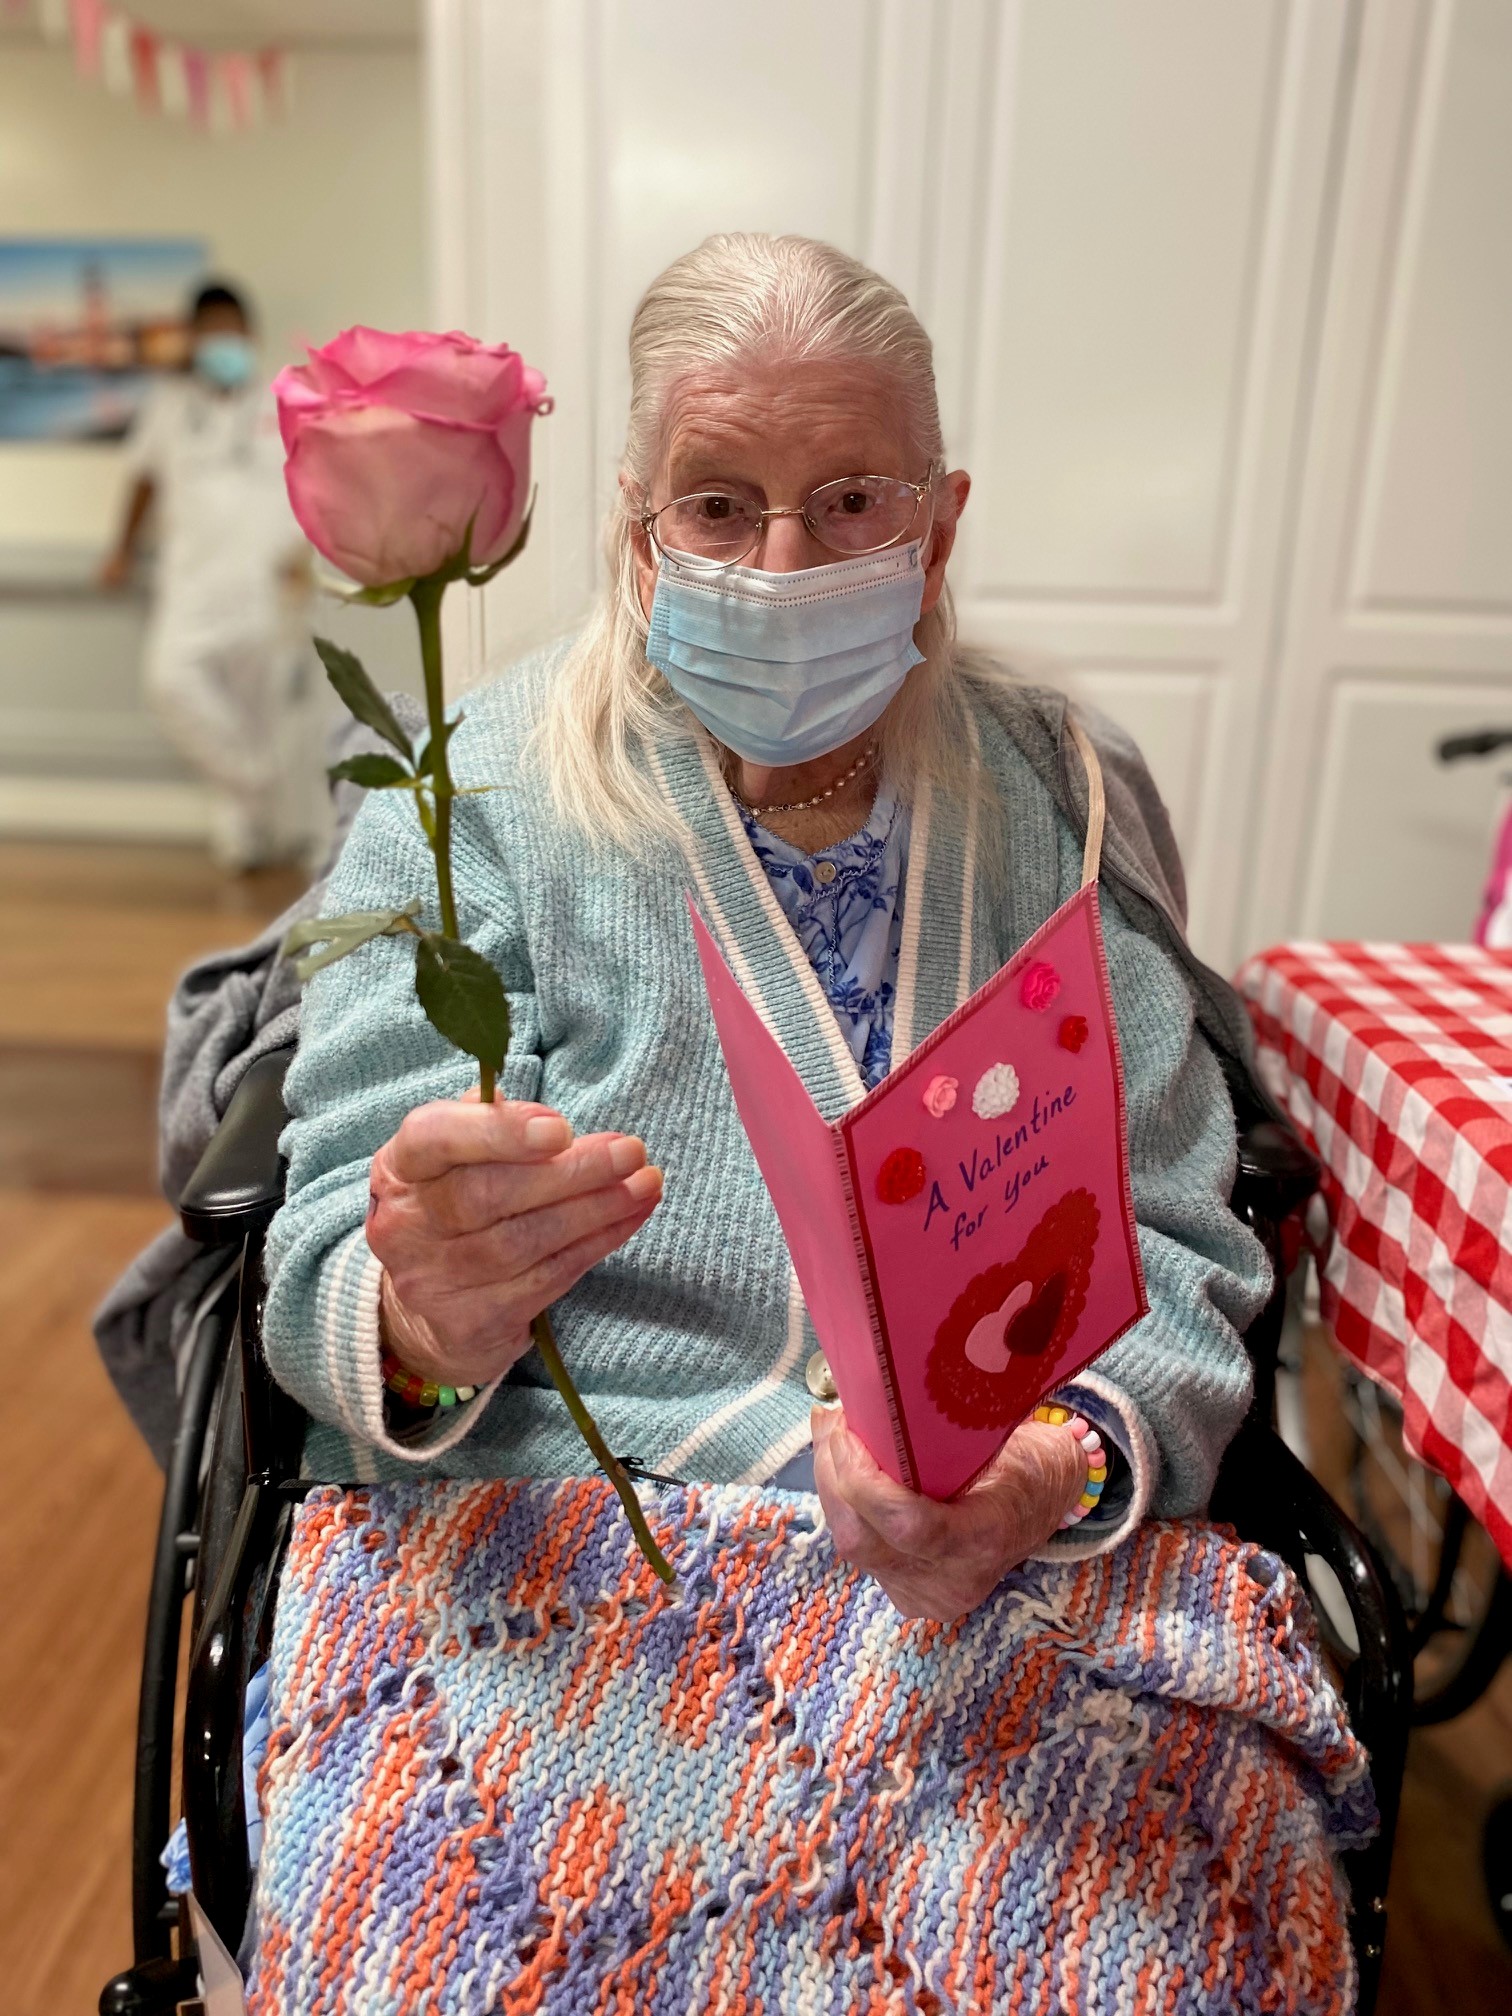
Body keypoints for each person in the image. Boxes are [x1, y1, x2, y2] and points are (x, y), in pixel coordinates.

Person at [246, 236, 1373, 2012]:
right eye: (719, 503)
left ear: (943, 521)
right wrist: (411, 1313)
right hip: (550, 1533)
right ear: (637, 527)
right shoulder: (485, 796)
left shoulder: (1054, 789)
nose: (782, 563)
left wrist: (1050, 1461)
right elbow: (321, 1258)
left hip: (999, 1545)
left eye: (850, 501)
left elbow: (1174, 1237)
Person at [102, 280, 314, 870]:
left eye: (233, 329)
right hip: (191, 587)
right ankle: (260, 794)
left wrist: (313, 551)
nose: (224, 341)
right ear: (193, 339)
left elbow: (320, 476)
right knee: (171, 686)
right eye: (211, 330)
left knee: (266, 714)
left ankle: (254, 836)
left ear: (251, 333)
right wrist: (119, 550)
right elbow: (141, 480)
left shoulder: (285, 398)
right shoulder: (168, 406)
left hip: (267, 586)